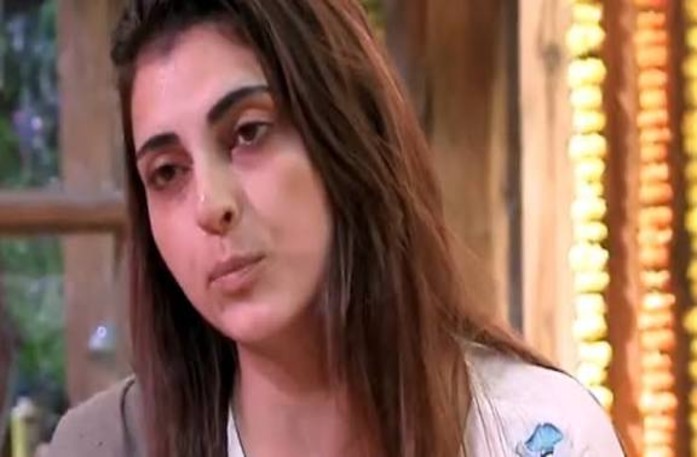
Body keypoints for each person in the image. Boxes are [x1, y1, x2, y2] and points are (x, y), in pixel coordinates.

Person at [47, 1, 624, 456]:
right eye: (168, 172)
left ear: (347, 130)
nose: (210, 205)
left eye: (248, 133)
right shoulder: (105, 447)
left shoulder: (542, 435)